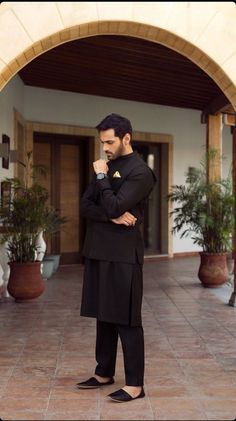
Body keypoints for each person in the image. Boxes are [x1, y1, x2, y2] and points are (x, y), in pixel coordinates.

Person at [77, 113, 156, 402]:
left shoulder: (140, 172)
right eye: (102, 142)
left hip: (124, 255)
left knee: (126, 319)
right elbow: (86, 205)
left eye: (110, 142)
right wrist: (110, 218)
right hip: (98, 249)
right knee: (104, 314)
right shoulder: (106, 165)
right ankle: (104, 372)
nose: (105, 148)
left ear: (126, 138)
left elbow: (113, 204)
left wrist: (101, 178)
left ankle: (135, 385)